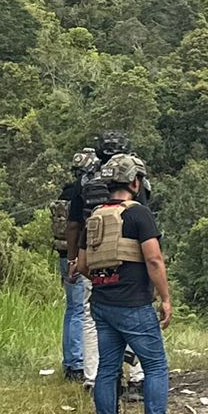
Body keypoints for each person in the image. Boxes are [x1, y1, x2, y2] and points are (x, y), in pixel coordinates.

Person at [74, 153, 190, 414]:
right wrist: (165, 298)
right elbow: (153, 258)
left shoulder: (95, 216)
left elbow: (83, 265)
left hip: (102, 303)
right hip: (133, 304)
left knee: (107, 369)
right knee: (155, 365)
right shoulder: (139, 214)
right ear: (135, 182)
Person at [67, 132, 145, 397]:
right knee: (135, 314)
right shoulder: (132, 180)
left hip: (96, 256)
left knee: (91, 318)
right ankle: (136, 379)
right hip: (130, 257)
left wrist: (75, 260)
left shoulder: (86, 180)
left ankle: (94, 378)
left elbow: (75, 224)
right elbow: (143, 217)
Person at [53, 148, 99, 381]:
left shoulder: (67, 190)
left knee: (72, 309)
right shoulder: (85, 191)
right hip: (79, 256)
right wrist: (76, 259)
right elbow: (74, 226)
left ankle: (71, 361)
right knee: (82, 310)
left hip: (63, 254)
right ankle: (78, 363)